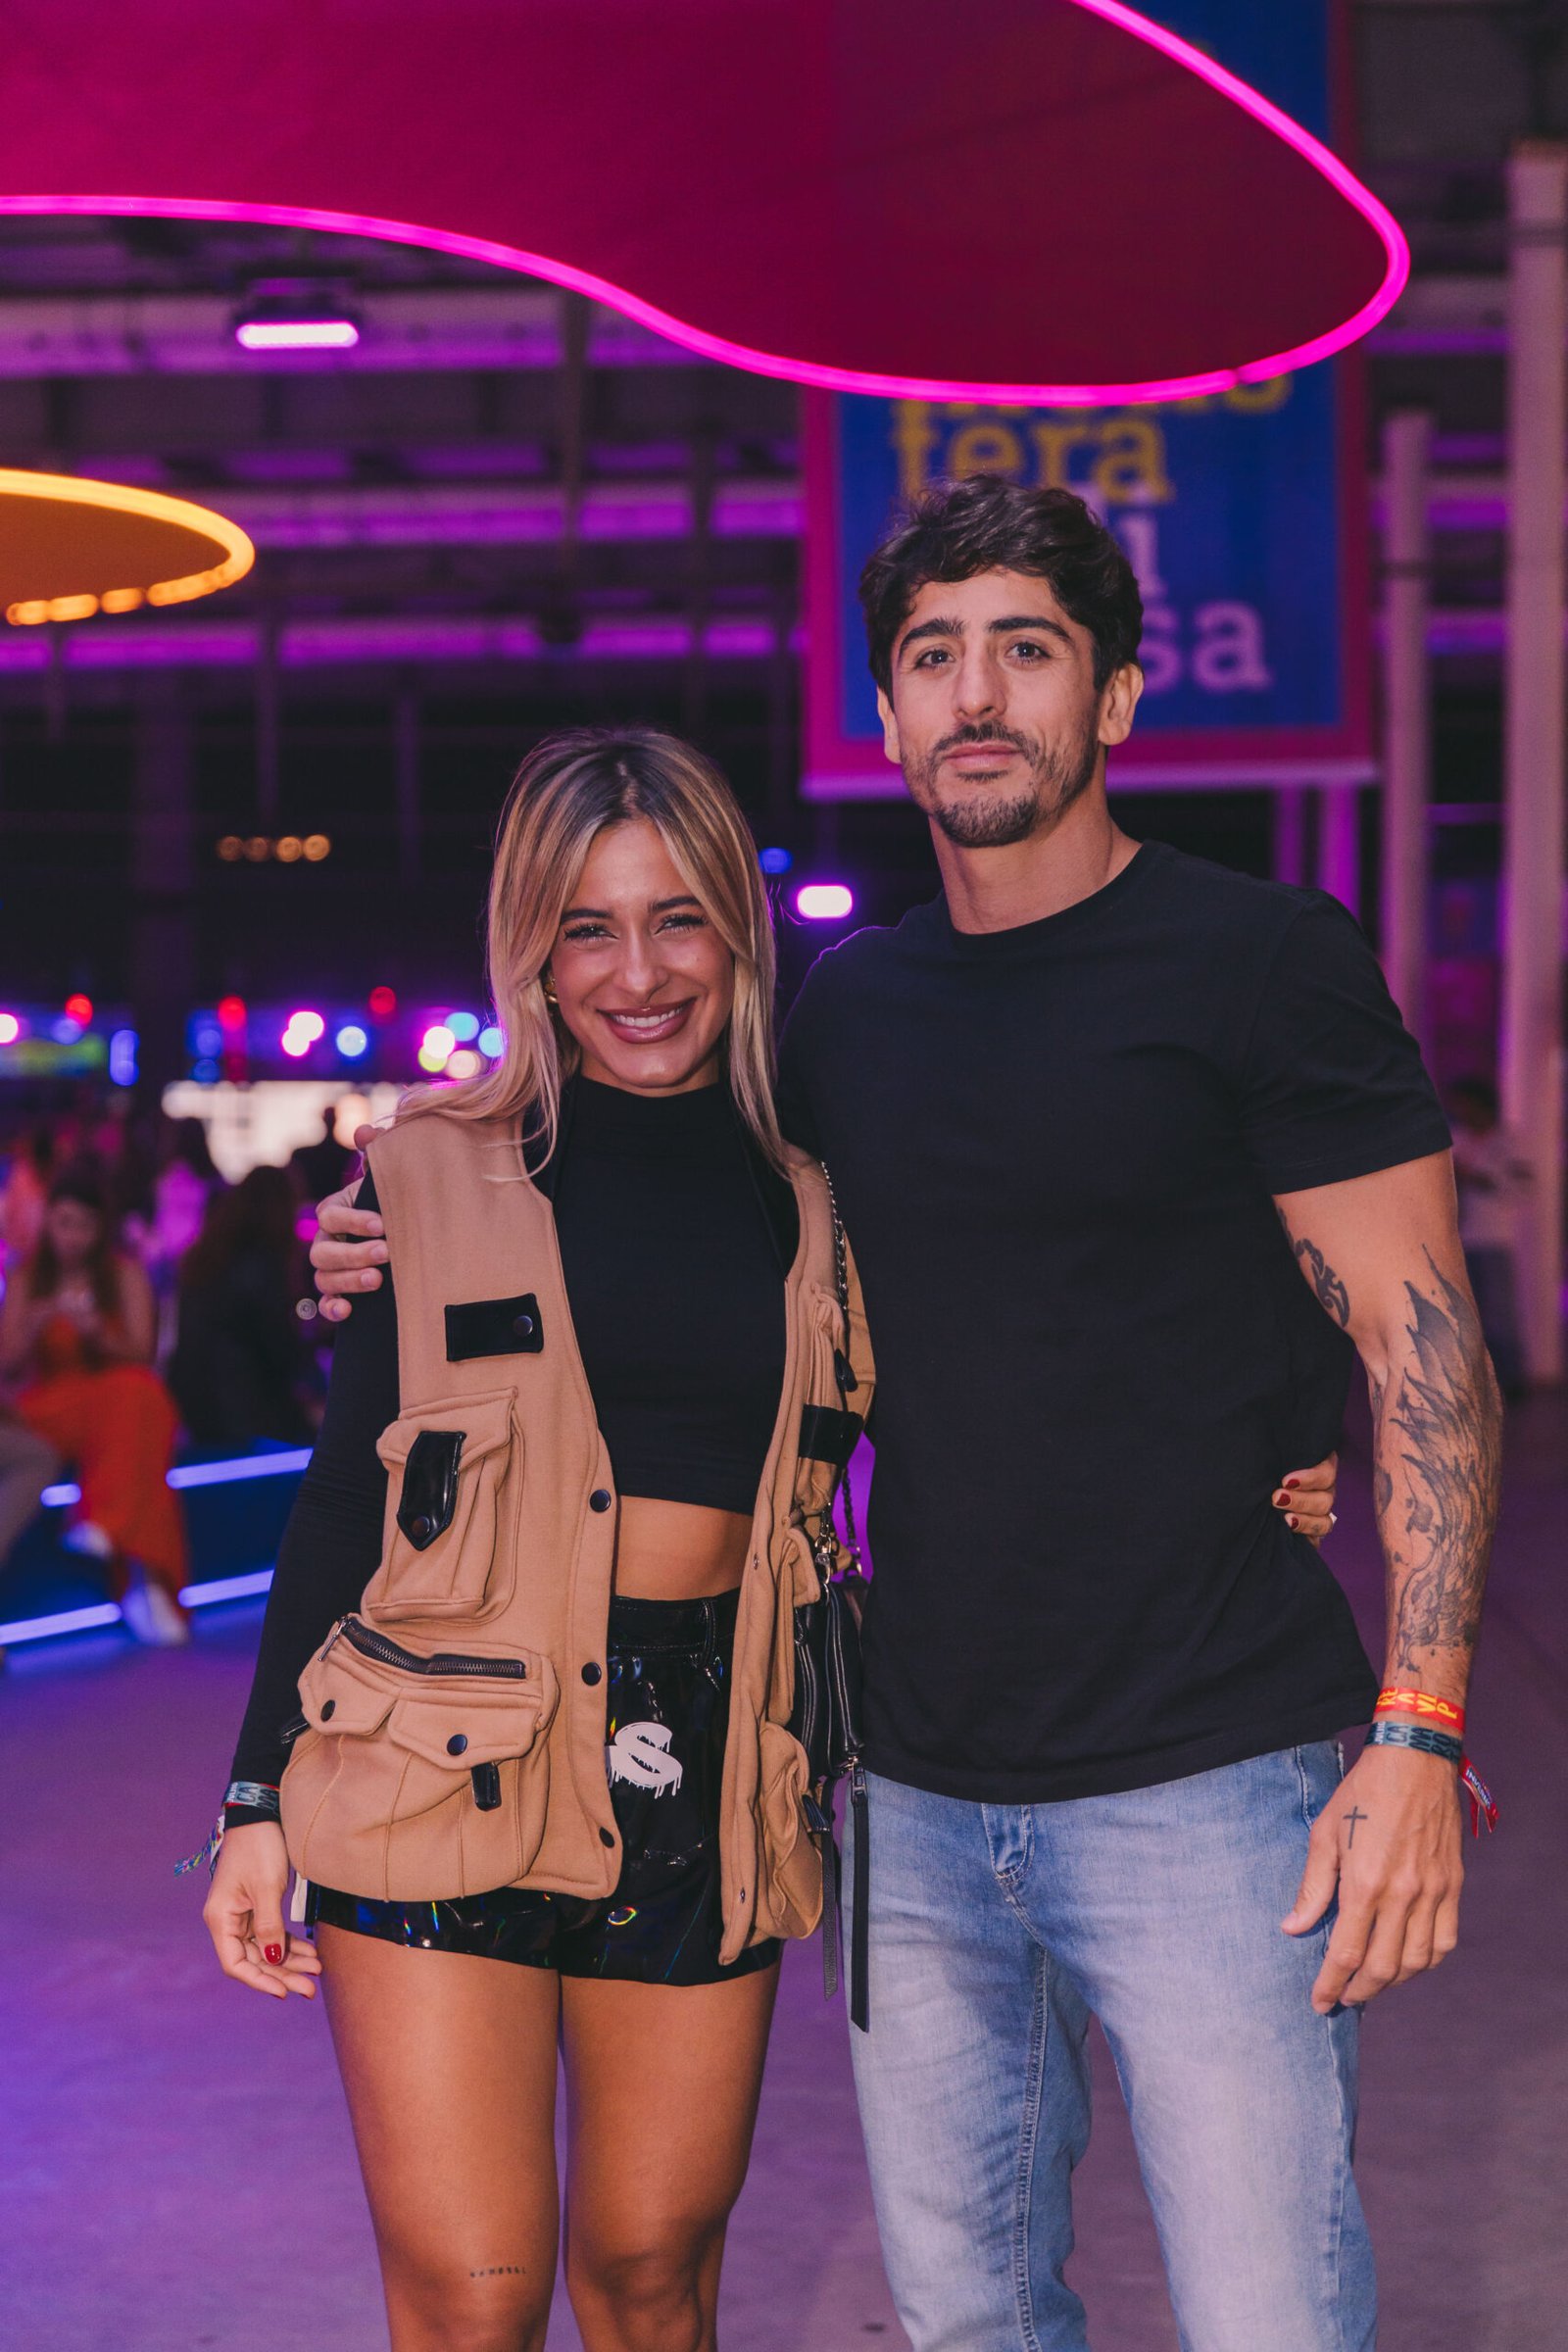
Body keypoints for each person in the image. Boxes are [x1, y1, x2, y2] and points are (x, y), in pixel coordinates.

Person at [316, 476, 1497, 2352]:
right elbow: (664, 1229)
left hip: (1207, 1781)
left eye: (1028, 649)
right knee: (966, 2326)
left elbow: (1425, 1349)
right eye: (934, 657)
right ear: (885, 715)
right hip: (914, 1797)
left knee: (1271, 2320)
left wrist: (1419, 1729)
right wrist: (385, 1231)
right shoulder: (842, 1019)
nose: (979, 694)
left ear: (1115, 695)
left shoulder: (1261, 960)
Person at [0, 1163, 190, 1645]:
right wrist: (37, 1321)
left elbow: (141, 1354)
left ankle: (117, 1535)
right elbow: (7, 1364)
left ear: (100, 1228)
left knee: (139, 1396)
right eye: (64, 1223)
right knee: (138, 1409)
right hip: (49, 1405)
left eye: (83, 1225)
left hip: (111, 1401)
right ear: (48, 1221)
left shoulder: (123, 1273)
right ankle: (135, 1563)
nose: (72, 1237)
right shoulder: (27, 1276)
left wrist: (96, 1331)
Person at [169, 1164, 318, 1447]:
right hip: (249, 1412)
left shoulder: (205, 1259)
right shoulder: (263, 1266)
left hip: (195, 1406)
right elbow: (281, 1350)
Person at [1446, 1075, 1530, 1396]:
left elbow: (1522, 1188)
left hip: (1494, 1239)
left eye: (1465, 1104)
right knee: (1466, 1314)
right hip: (1459, 1238)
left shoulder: (1508, 1142)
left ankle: (1510, 1380)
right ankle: (1474, 1383)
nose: (1460, 1110)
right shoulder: (1457, 1139)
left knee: (1498, 1313)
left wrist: (1476, 1176)